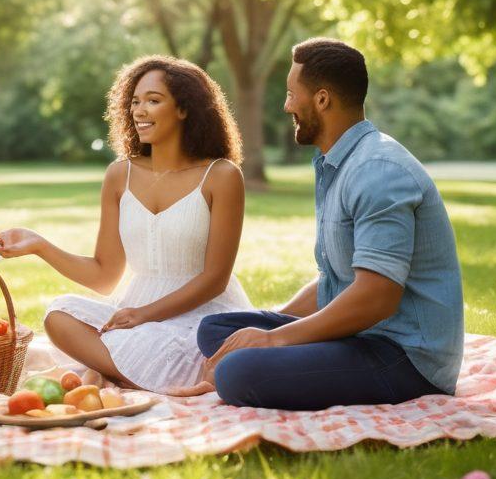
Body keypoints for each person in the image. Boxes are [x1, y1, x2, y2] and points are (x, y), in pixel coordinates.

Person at [177, 37, 463, 410]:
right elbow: (336, 278)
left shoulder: (378, 170)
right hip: (361, 335)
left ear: (323, 99)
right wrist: (274, 324)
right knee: (216, 330)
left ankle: (262, 359)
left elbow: (377, 296)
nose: (286, 106)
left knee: (237, 373)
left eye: (292, 94)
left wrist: (273, 340)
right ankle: (269, 349)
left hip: (403, 357)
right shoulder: (338, 163)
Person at [0, 55, 254, 393]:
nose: (139, 111)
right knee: (58, 316)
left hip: (202, 314)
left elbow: (215, 279)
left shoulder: (221, 176)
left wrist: (145, 314)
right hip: (133, 314)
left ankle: (120, 373)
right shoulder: (119, 174)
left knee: (187, 347)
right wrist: (40, 245)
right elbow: (104, 274)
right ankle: (146, 378)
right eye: (135, 102)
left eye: (153, 101)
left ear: (184, 109)